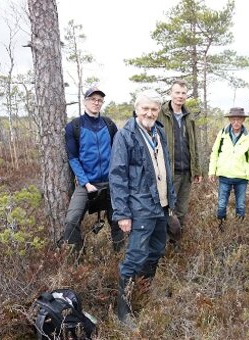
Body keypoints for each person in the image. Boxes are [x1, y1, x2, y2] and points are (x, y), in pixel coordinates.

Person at [109, 89, 176, 326]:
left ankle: (144, 290)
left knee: (157, 249)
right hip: (139, 207)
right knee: (135, 257)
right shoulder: (125, 135)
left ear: (159, 111)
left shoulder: (158, 132)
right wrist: (122, 213)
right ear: (137, 109)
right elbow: (117, 176)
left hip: (161, 205)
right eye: (145, 108)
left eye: (154, 109)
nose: (149, 113)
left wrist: (171, 201)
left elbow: (164, 168)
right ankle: (123, 312)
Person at [62, 87, 124, 253]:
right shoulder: (74, 126)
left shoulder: (109, 124)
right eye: (93, 99)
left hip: (111, 182)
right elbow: (73, 158)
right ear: (85, 102)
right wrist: (86, 183)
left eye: (99, 100)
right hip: (87, 183)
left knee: (118, 221)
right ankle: (76, 260)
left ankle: (119, 257)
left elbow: (118, 153)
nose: (96, 103)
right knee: (71, 220)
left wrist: (117, 179)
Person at [158, 79, 202, 242]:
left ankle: (175, 243)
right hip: (169, 172)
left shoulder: (188, 116)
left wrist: (196, 170)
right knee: (168, 209)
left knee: (182, 211)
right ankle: (162, 244)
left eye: (183, 93)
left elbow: (193, 144)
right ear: (171, 93)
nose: (180, 96)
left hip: (186, 171)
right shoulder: (160, 113)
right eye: (177, 92)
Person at [208, 107, 249, 229]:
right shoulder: (222, 134)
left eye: (239, 119)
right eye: (233, 119)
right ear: (230, 119)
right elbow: (215, 153)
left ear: (243, 120)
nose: (236, 122)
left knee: (240, 206)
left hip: (241, 178)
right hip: (224, 176)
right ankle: (221, 230)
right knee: (221, 205)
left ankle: (238, 230)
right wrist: (211, 171)